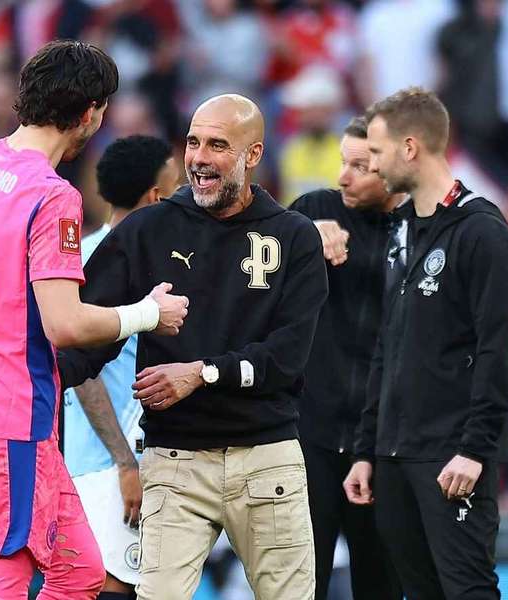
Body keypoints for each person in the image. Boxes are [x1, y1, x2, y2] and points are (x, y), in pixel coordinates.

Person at [0, 40, 188, 600]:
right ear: (90, 113)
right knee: (17, 574)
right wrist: (148, 313)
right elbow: (65, 326)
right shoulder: (52, 197)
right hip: (7, 417)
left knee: (65, 571)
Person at [57, 94, 329, 600]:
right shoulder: (146, 229)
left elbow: (288, 357)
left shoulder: (293, 236)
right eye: (193, 142)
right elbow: (84, 342)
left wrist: (202, 373)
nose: (199, 158)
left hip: (266, 456)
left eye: (218, 145)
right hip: (174, 460)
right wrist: (21, 381)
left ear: (253, 155)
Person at [343, 87, 508, 599]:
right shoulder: (401, 229)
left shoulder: (483, 232)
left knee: (466, 590)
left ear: (409, 148)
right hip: (394, 454)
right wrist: (367, 449)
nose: (372, 165)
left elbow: (499, 349)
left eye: (376, 152)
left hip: (452, 456)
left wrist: (476, 450)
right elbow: (387, 346)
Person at [288, 115, 405, 600]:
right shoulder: (312, 210)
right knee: (297, 584)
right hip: (308, 435)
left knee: (380, 585)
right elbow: (251, 261)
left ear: (395, 166)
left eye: (360, 166)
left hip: (380, 444)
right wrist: (301, 236)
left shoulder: (421, 230)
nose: (342, 177)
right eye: (342, 162)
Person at [63, 134, 181, 600]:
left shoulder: (80, 255)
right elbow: (83, 369)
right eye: (175, 188)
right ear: (155, 196)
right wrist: (125, 463)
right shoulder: (109, 262)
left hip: (98, 455)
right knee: (111, 585)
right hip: (109, 462)